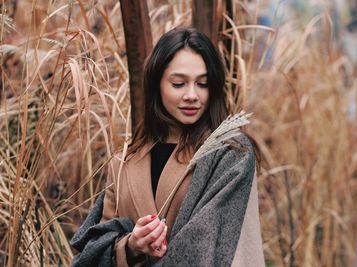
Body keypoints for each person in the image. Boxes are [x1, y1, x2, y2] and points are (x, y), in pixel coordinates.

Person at [70, 27, 264, 267]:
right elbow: (93, 250)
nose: (192, 95)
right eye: (179, 83)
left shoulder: (230, 153)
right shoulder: (125, 162)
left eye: (202, 84)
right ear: (157, 84)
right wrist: (131, 246)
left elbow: (205, 250)